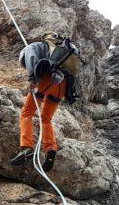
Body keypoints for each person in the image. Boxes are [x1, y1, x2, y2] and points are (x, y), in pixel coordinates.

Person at [9, 34, 80, 172]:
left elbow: (31, 59)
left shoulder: (30, 48)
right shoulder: (53, 51)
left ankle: (26, 147)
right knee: (46, 119)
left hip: (47, 79)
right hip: (62, 85)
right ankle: (50, 150)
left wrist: (33, 79)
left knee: (26, 113)